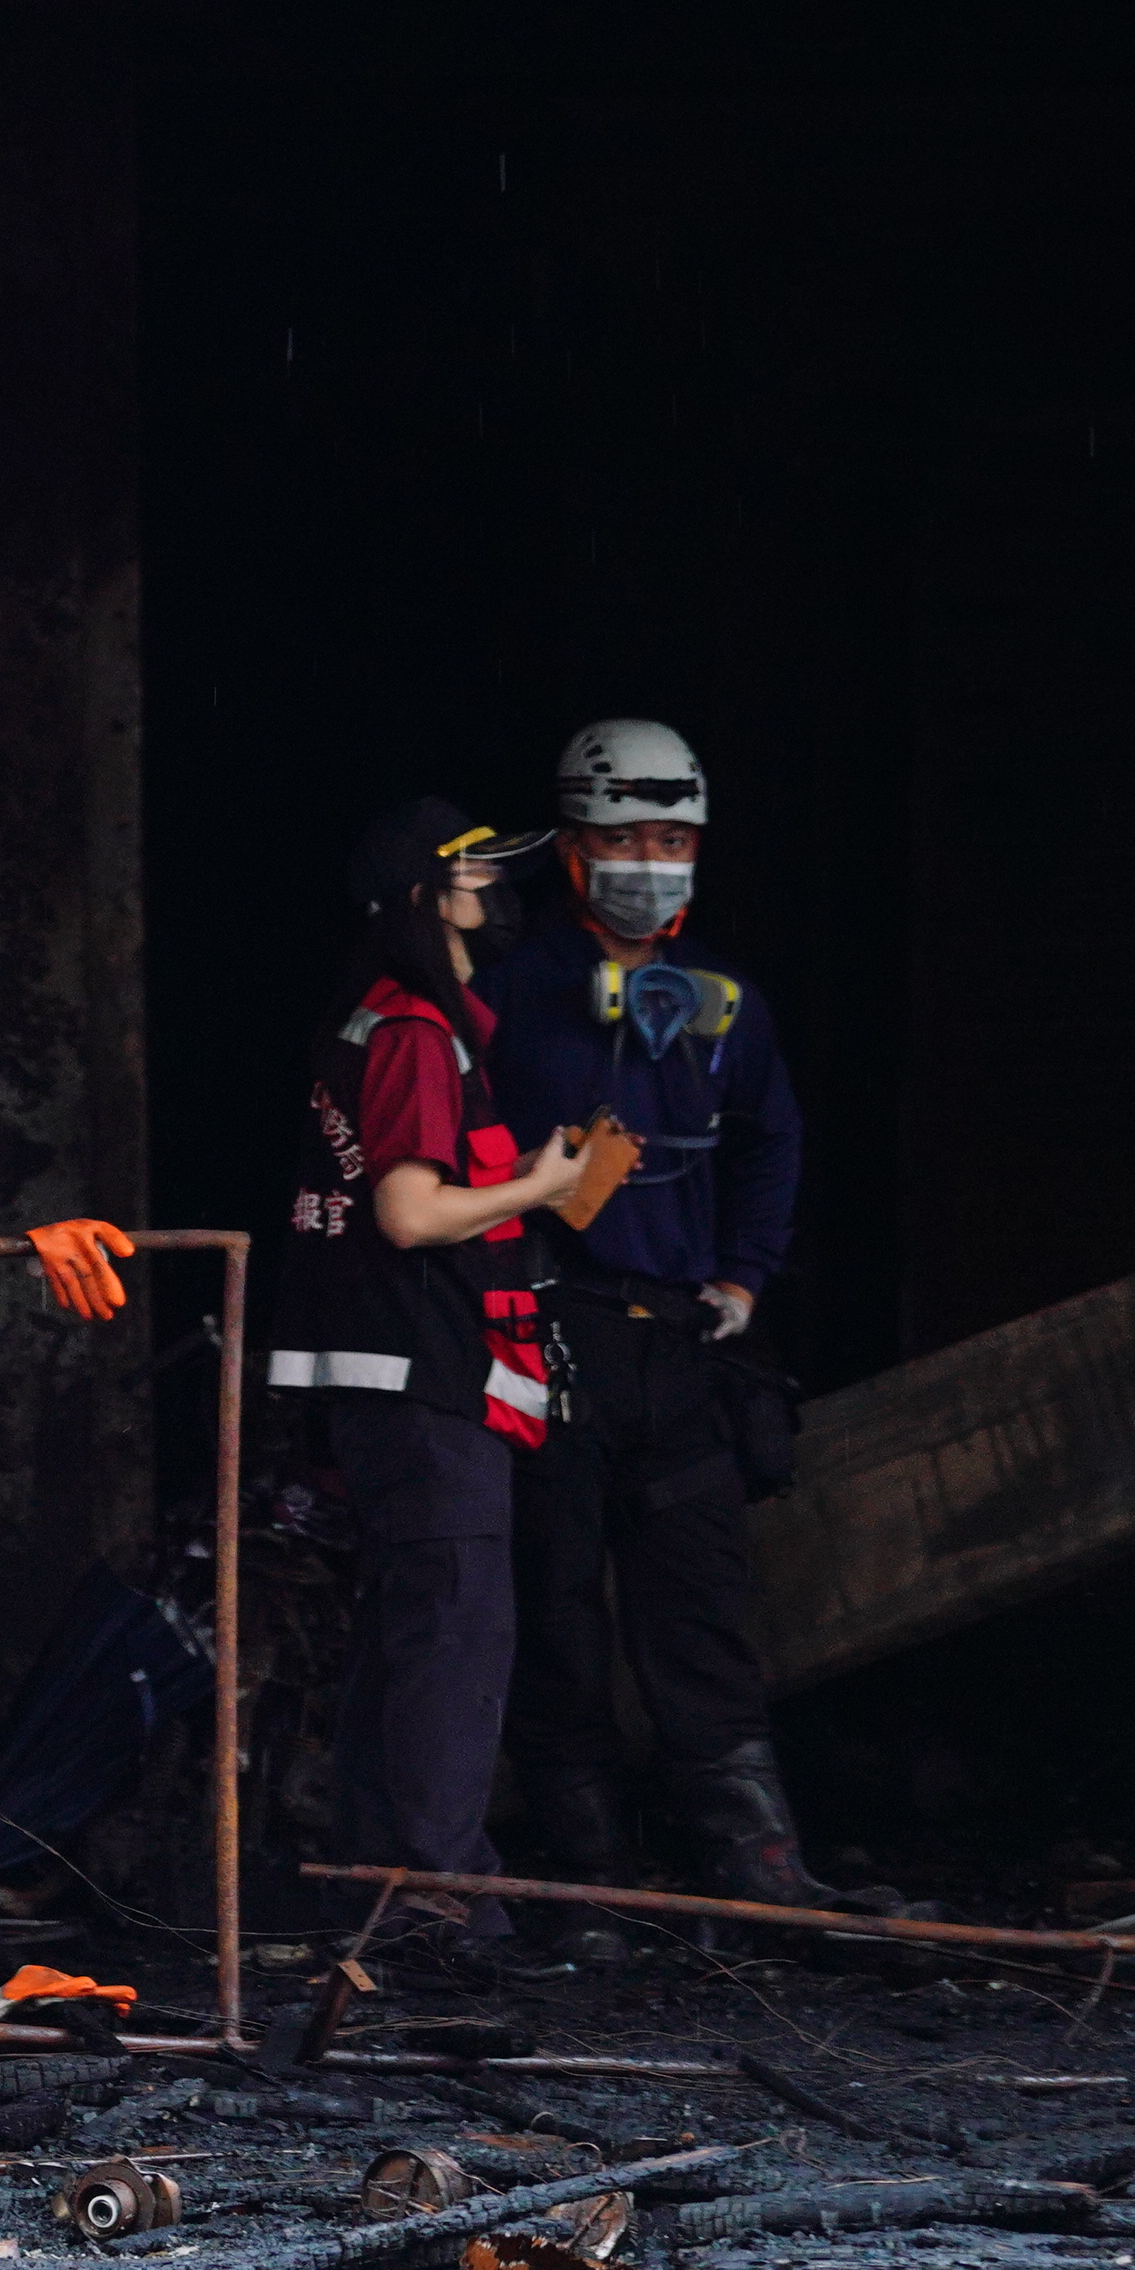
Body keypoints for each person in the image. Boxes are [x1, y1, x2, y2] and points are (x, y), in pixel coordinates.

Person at [475, 717, 835, 1929]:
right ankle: (586, 1878)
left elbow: (770, 1139)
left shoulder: (725, 1000)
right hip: (556, 1336)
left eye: (672, 836)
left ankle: (756, 1865)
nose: (650, 856)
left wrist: (742, 1275)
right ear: (570, 846)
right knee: (557, 1602)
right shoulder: (509, 990)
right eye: (624, 835)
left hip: (681, 1345)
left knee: (698, 1602)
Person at [265, 799, 591, 1976]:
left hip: (395, 1375)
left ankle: (380, 1884)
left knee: (410, 1633)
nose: (492, 896)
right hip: (420, 1373)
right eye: (470, 879)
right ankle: (437, 1903)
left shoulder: (398, 1024)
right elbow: (407, 1213)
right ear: (419, 899)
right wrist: (543, 1187)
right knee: (455, 1632)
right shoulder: (410, 1031)